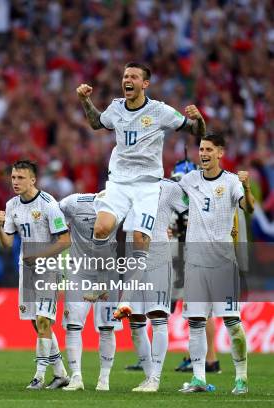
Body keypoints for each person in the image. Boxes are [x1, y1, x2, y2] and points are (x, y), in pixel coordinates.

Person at [76, 62, 206, 318]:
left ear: (145, 84)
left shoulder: (159, 111)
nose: (128, 80)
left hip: (147, 185)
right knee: (101, 228)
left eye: (134, 76)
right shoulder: (115, 108)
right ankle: (102, 283)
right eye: (125, 76)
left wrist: (199, 118)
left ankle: (127, 299)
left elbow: (196, 131)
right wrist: (84, 100)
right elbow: (96, 123)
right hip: (120, 182)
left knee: (139, 240)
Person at [177, 133, 254, 394]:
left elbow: (249, 208)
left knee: (232, 322)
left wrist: (247, 188)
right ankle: (199, 379)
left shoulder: (232, 181)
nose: (203, 153)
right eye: (201, 149)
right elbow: (173, 203)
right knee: (196, 322)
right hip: (195, 264)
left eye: (209, 149)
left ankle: (241, 378)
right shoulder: (189, 180)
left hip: (223, 263)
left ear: (220, 153)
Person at [0, 160, 71, 390]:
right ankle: (60, 374)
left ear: (33, 180)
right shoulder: (11, 205)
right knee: (35, 321)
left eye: (20, 178)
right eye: (13, 177)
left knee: (42, 320)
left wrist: (39, 256)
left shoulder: (49, 204)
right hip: (26, 268)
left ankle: (39, 375)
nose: (15, 182)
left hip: (48, 268)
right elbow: (7, 243)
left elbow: (65, 240)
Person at [124, 178, 187, 392]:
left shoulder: (169, 188)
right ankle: (149, 377)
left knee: (158, 317)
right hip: (132, 259)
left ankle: (156, 378)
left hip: (158, 257)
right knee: (135, 321)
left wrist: (177, 230)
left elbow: (194, 209)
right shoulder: (125, 182)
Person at [58, 192, 122, 392]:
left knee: (106, 327)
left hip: (108, 273)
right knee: (73, 326)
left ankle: (104, 379)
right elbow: (51, 214)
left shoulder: (120, 202)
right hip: (79, 273)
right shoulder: (74, 202)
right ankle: (76, 377)